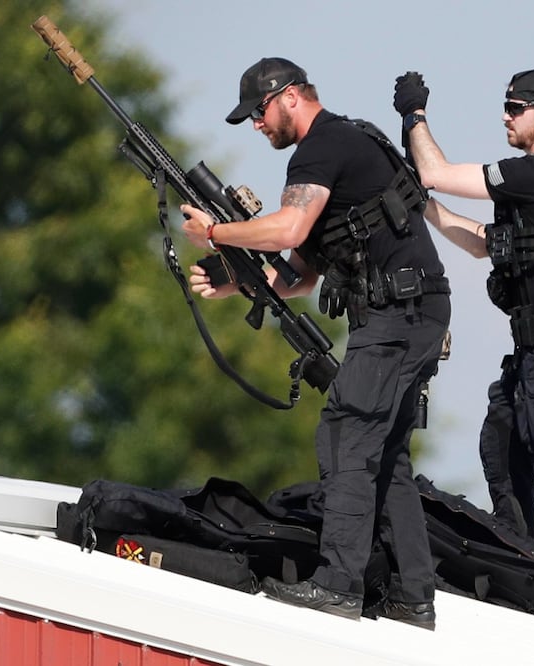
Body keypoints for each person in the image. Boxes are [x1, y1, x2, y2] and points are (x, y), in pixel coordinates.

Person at [182, 57, 450, 629]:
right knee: (386, 454)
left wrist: (214, 231)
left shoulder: (322, 147)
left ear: (289, 98)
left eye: (258, 112)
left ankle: (337, 586)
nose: (257, 125)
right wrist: (234, 280)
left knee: (346, 434)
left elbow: (287, 229)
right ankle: (412, 594)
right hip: (409, 310)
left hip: (397, 314)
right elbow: (299, 273)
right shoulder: (345, 147)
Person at [392, 69, 534, 573]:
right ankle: (524, 561)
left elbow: (435, 170)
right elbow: (481, 242)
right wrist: (423, 205)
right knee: (503, 442)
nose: (505, 116)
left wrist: (414, 116)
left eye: (515, 108)